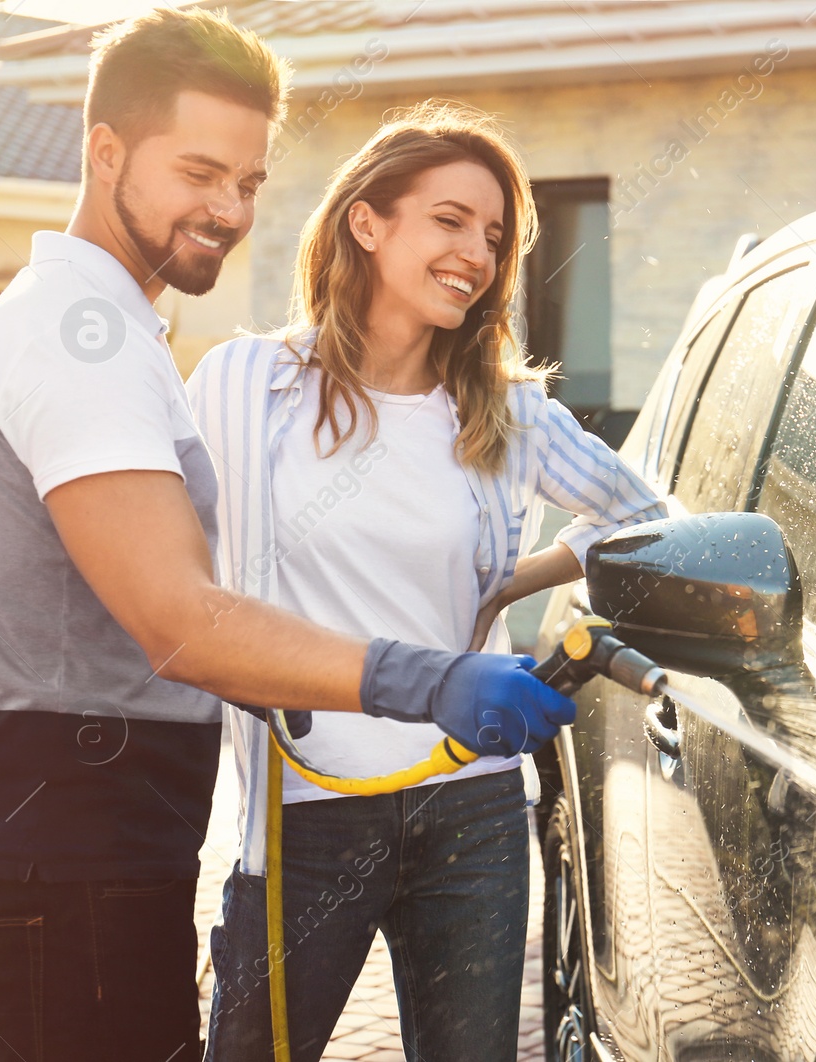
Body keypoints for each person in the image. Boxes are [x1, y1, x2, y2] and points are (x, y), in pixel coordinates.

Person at [0, 14, 571, 1062]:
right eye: (197, 172)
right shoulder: (81, 342)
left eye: (249, 181)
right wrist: (427, 681)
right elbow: (182, 624)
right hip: (72, 856)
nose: (226, 210)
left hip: (83, 851)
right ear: (104, 152)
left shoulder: (105, 329)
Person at [191, 100, 667, 1061]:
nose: (479, 254)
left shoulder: (505, 411)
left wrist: (504, 584)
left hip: (471, 804)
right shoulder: (244, 384)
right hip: (299, 816)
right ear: (367, 222)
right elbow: (180, 578)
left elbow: (646, 517)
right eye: (449, 221)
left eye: (495, 236)